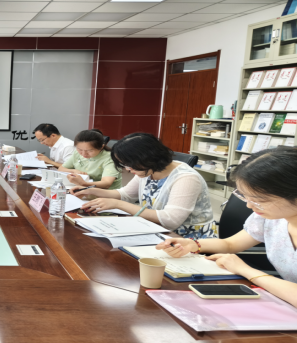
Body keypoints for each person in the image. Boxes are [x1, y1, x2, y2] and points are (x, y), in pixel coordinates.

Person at [157, 149, 297, 306]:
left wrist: (245, 270)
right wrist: (193, 244)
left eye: (260, 200)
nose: (249, 206)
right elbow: (231, 244)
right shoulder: (271, 219)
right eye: (245, 196)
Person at [75, 133, 215, 238]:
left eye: (130, 164)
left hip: (186, 240)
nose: (128, 169)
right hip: (153, 229)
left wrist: (118, 204)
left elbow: (170, 220)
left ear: (148, 158)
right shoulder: (148, 169)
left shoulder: (186, 178)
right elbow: (126, 194)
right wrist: (90, 190)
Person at [56, 129, 121, 190]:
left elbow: (106, 183)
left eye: (89, 150)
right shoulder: (77, 153)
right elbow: (61, 168)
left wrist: (83, 183)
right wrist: (74, 171)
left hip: (105, 194)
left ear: (101, 147)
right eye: (80, 149)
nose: (84, 153)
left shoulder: (110, 158)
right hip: (82, 190)